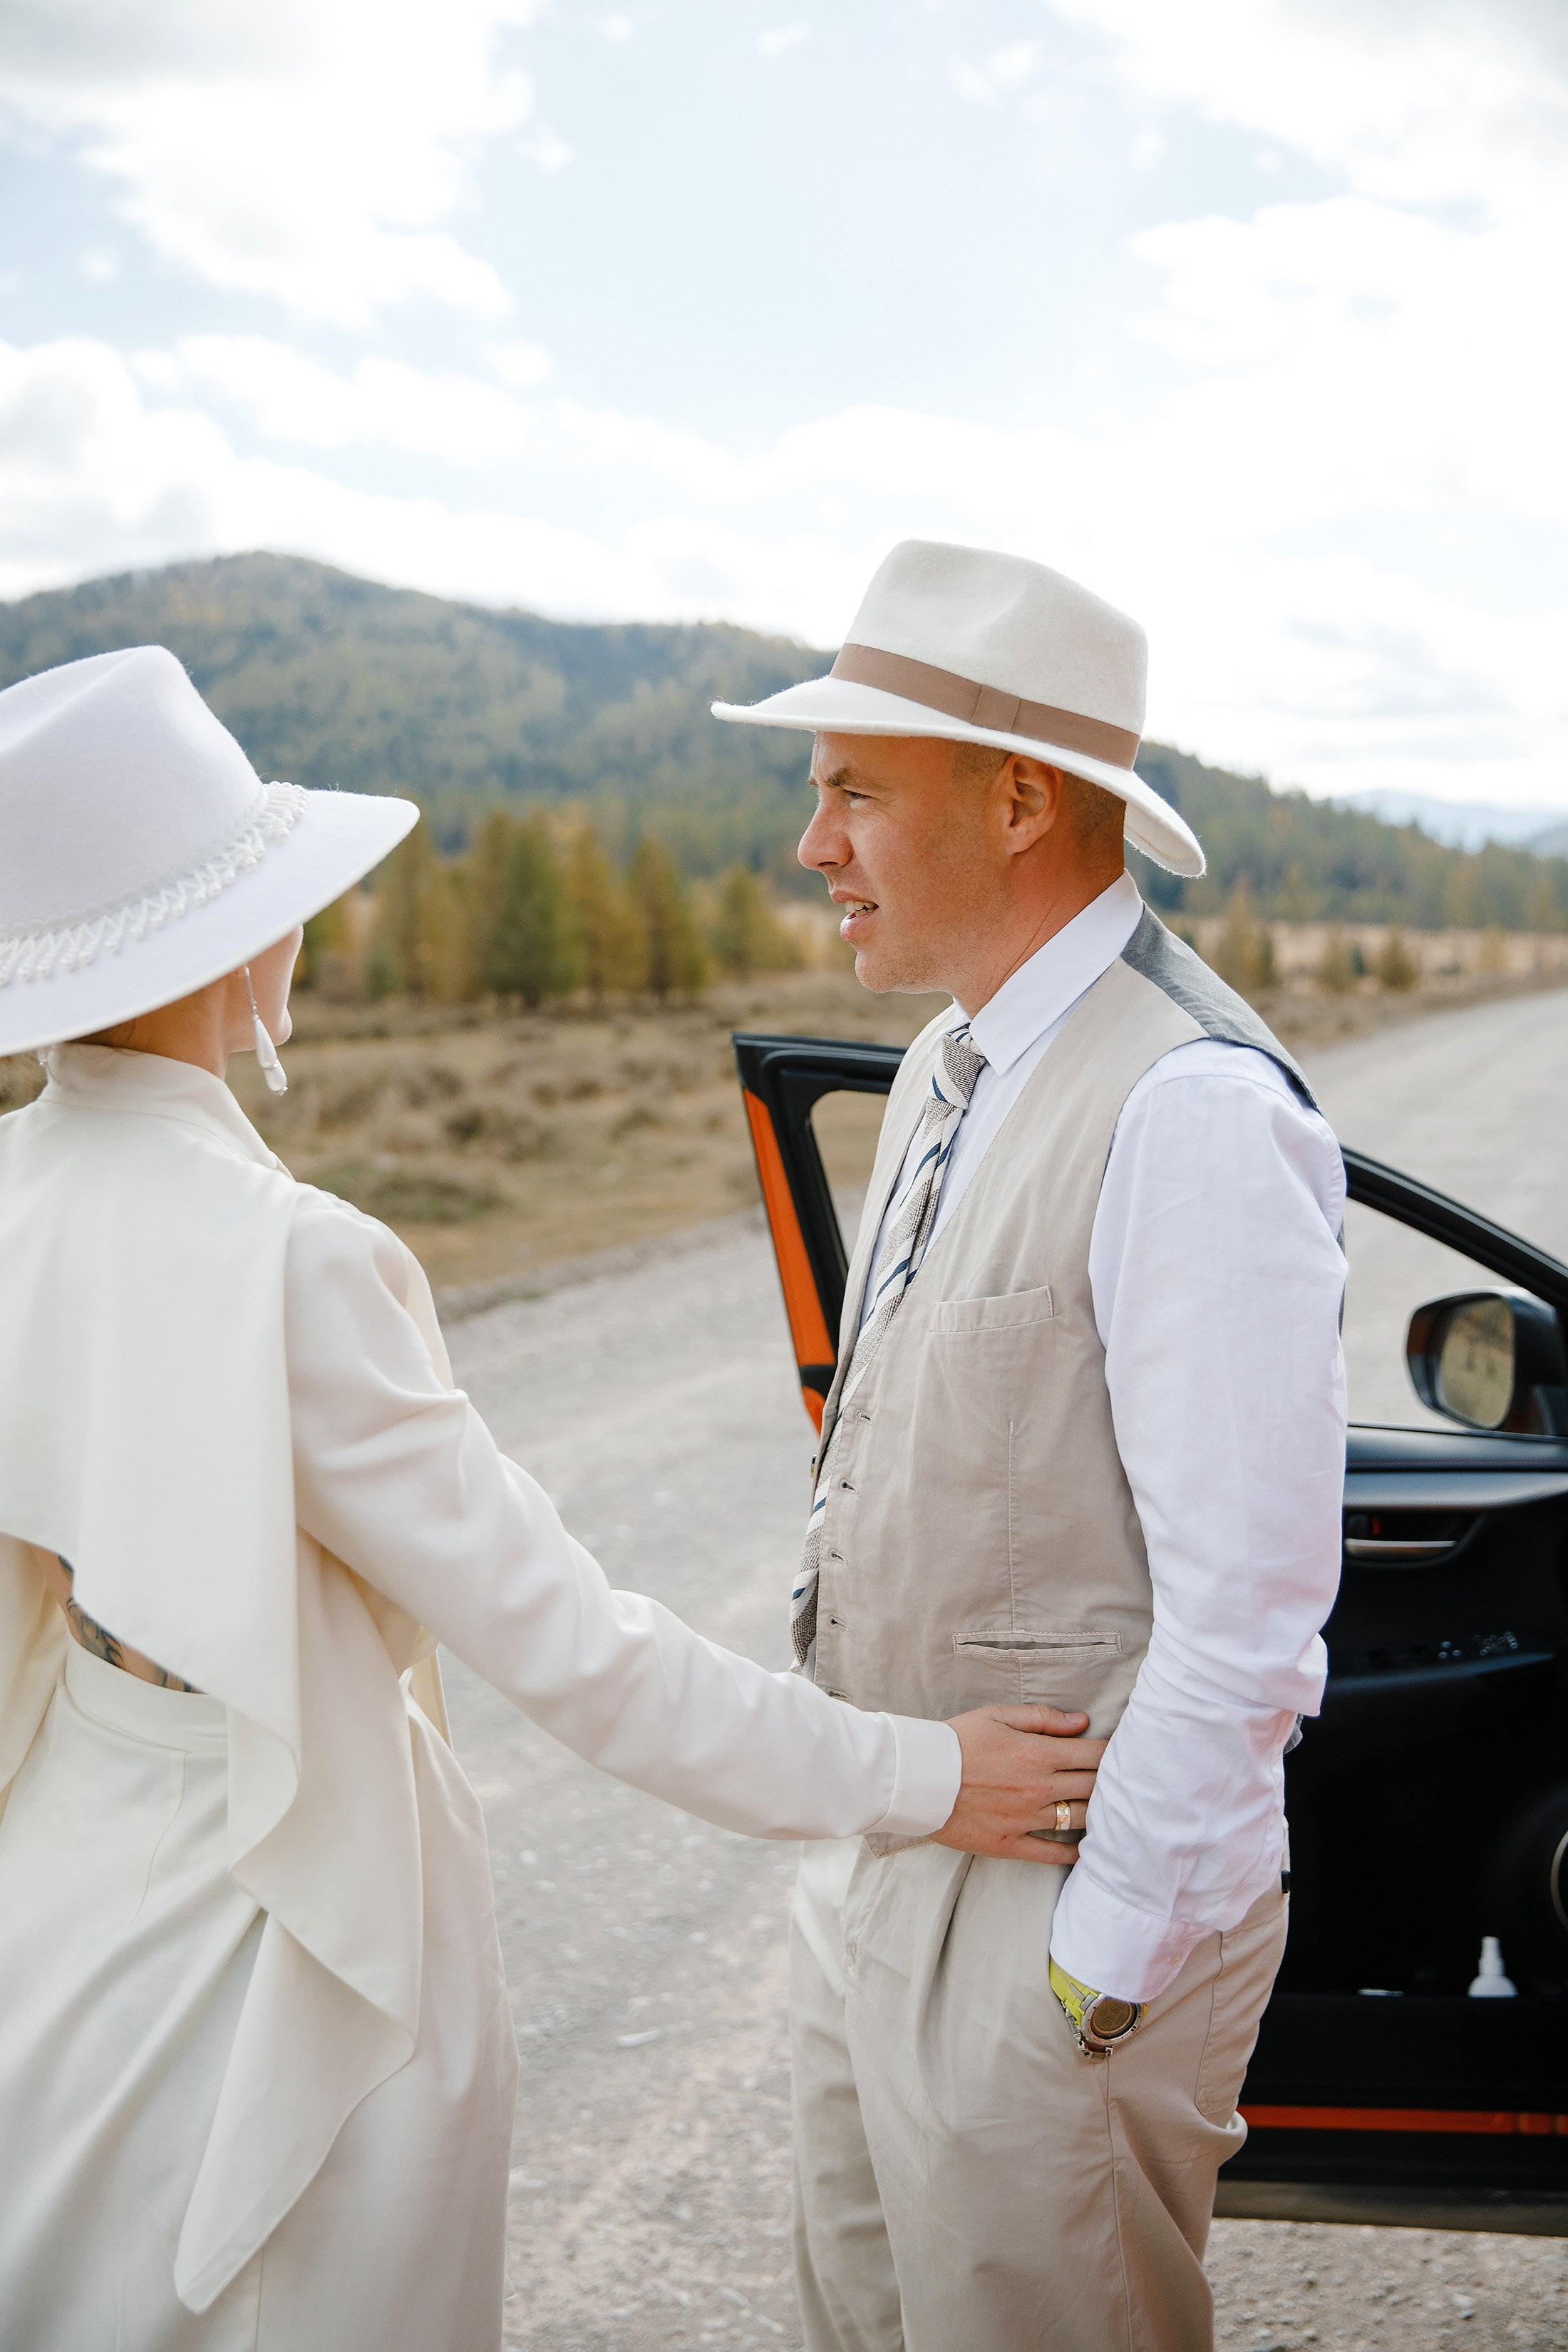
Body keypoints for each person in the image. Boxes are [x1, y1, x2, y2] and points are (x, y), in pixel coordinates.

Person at [0, 644, 1102, 2352]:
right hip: (269, 1936)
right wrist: (922, 1768)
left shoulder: (18, 1195)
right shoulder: (290, 1264)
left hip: (58, 1914)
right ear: (232, 942)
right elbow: (583, 1655)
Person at [712, 540, 1348, 2351]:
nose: (813, 843)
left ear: (1011, 802)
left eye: (849, 793)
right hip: (889, 1857)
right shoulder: (940, 1066)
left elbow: (1245, 1616)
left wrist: (1091, 1975)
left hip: (1051, 1930)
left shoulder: (1194, 1112)